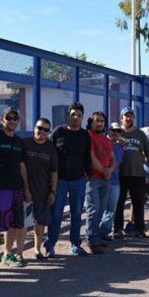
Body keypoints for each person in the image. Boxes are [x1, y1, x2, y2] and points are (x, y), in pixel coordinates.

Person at [0, 107, 31, 273]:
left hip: (16, 187)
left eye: (15, 118)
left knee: (13, 224)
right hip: (0, 188)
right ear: (1, 120)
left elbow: (22, 166)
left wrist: (26, 189)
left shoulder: (19, 141)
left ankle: (7, 254)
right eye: (8, 118)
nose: (12, 121)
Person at [46, 102, 92, 256]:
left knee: (77, 214)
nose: (76, 117)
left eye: (79, 115)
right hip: (60, 180)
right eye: (73, 114)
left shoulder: (85, 135)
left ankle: (75, 244)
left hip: (78, 180)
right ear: (68, 115)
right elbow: (49, 152)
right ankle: (50, 245)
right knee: (56, 214)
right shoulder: (59, 132)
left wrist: (88, 174)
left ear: (82, 117)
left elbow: (87, 156)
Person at [115, 106, 149, 238]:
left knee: (138, 203)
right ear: (121, 118)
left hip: (138, 174)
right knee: (119, 203)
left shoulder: (140, 134)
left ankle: (139, 229)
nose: (129, 118)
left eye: (131, 115)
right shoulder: (117, 132)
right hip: (120, 174)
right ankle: (118, 229)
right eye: (126, 116)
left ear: (134, 118)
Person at [22, 118, 58, 260]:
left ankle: (37, 250)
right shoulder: (25, 144)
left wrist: (53, 192)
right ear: (34, 127)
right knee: (22, 224)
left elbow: (54, 172)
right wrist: (25, 189)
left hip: (43, 191)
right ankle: (19, 252)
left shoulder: (50, 149)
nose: (42, 132)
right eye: (39, 128)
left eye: (45, 130)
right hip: (24, 190)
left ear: (49, 132)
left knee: (40, 222)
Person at [85, 111, 115, 254]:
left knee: (101, 209)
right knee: (93, 210)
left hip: (105, 179)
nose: (100, 123)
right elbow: (90, 158)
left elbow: (113, 158)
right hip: (93, 179)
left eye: (102, 121)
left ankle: (96, 237)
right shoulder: (88, 137)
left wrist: (110, 169)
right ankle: (92, 240)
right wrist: (104, 170)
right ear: (91, 122)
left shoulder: (106, 139)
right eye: (97, 120)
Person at [100, 122, 124, 241]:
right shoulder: (102, 143)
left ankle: (104, 232)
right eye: (113, 130)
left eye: (118, 131)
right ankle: (96, 233)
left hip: (115, 181)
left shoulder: (119, 147)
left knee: (111, 209)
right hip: (102, 180)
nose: (115, 133)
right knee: (100, 208)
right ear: (108, 130)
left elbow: (118, 163)